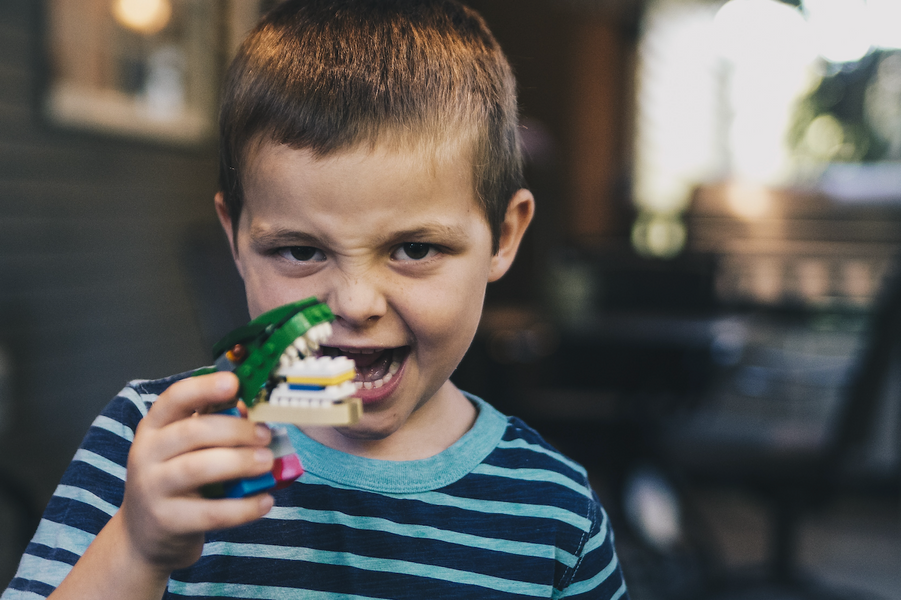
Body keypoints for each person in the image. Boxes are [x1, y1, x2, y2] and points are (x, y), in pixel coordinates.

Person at [3, 1, 629, 598]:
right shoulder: (152, 448)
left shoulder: (556, 514)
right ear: (238, 240)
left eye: (414, 249)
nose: (355, 304)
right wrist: (136, 549)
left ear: (503, 236)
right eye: (301, 251)